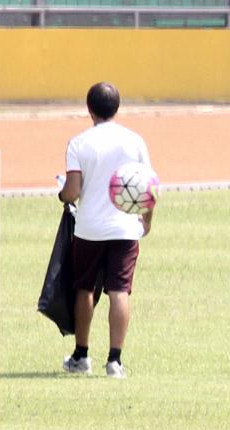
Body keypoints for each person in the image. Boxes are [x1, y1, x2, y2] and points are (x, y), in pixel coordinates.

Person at [58, 82, 154, 379]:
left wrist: (61, 194)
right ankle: (115, 361)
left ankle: (81, 355)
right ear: (117, 107)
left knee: (85, 290)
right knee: (120, 291)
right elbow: (147, 185)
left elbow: (72, 191)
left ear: (89, 109)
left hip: (89, 229)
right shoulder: (135, 141)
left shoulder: (79, 143)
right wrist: (146, 220)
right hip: (125, 227)